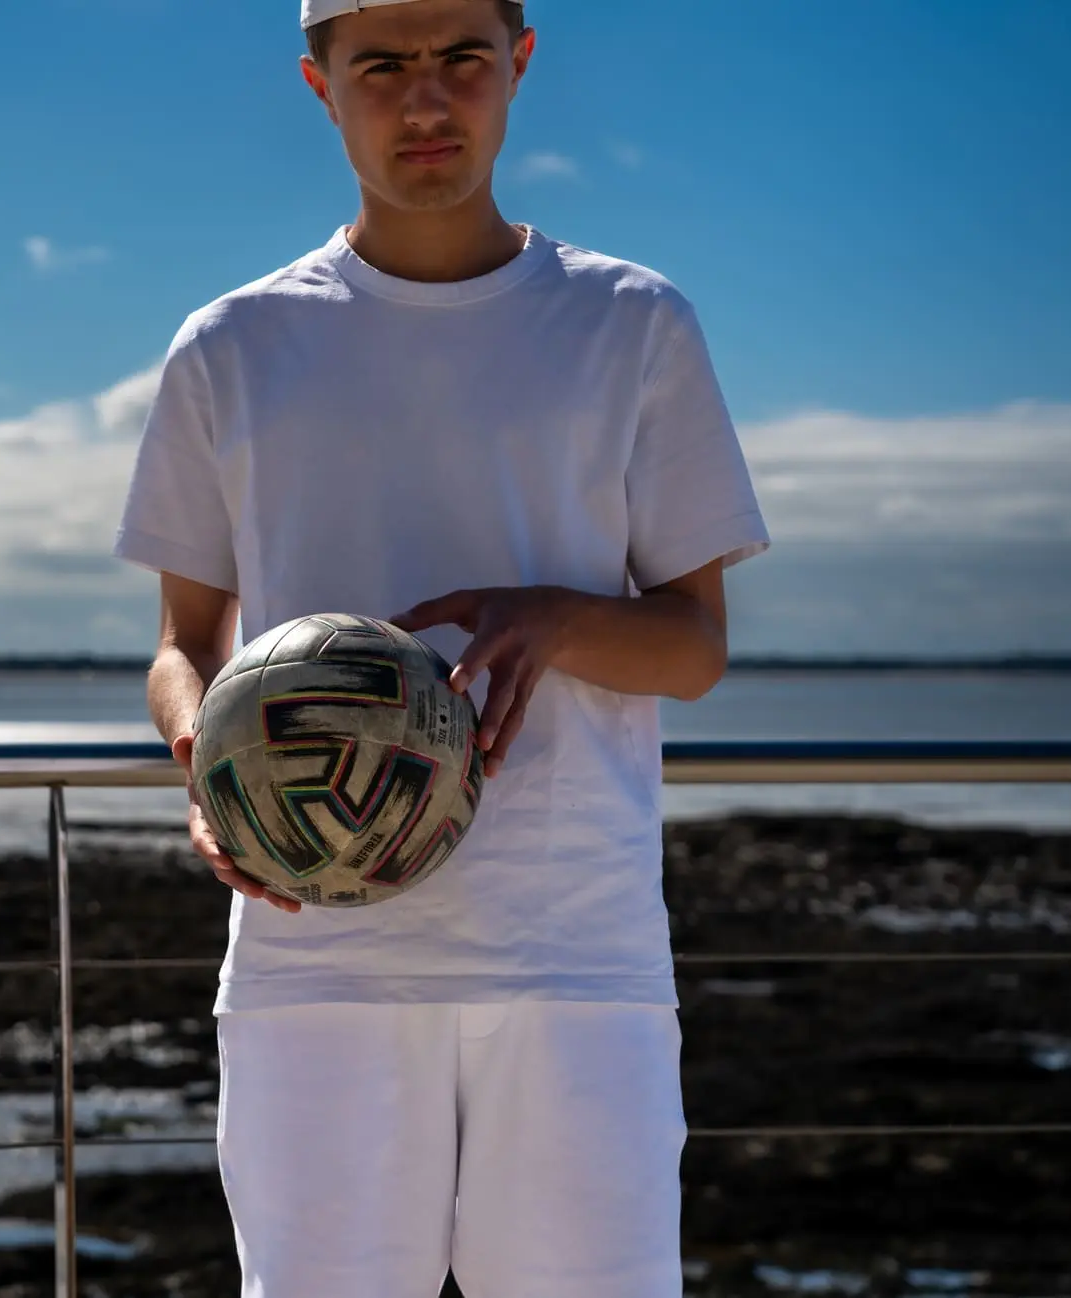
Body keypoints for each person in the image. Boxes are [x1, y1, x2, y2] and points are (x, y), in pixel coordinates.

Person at [111, 0, 772, 1294]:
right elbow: (182, 646)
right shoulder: (230, 346)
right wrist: (203, 754)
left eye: (461, 59)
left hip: (574, 954)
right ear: (319, 84)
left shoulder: (633, 324)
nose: (426, 102)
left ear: (517, 64)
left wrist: (555, 615)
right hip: (317, 952)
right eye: (383, 67)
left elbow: (692, 644)